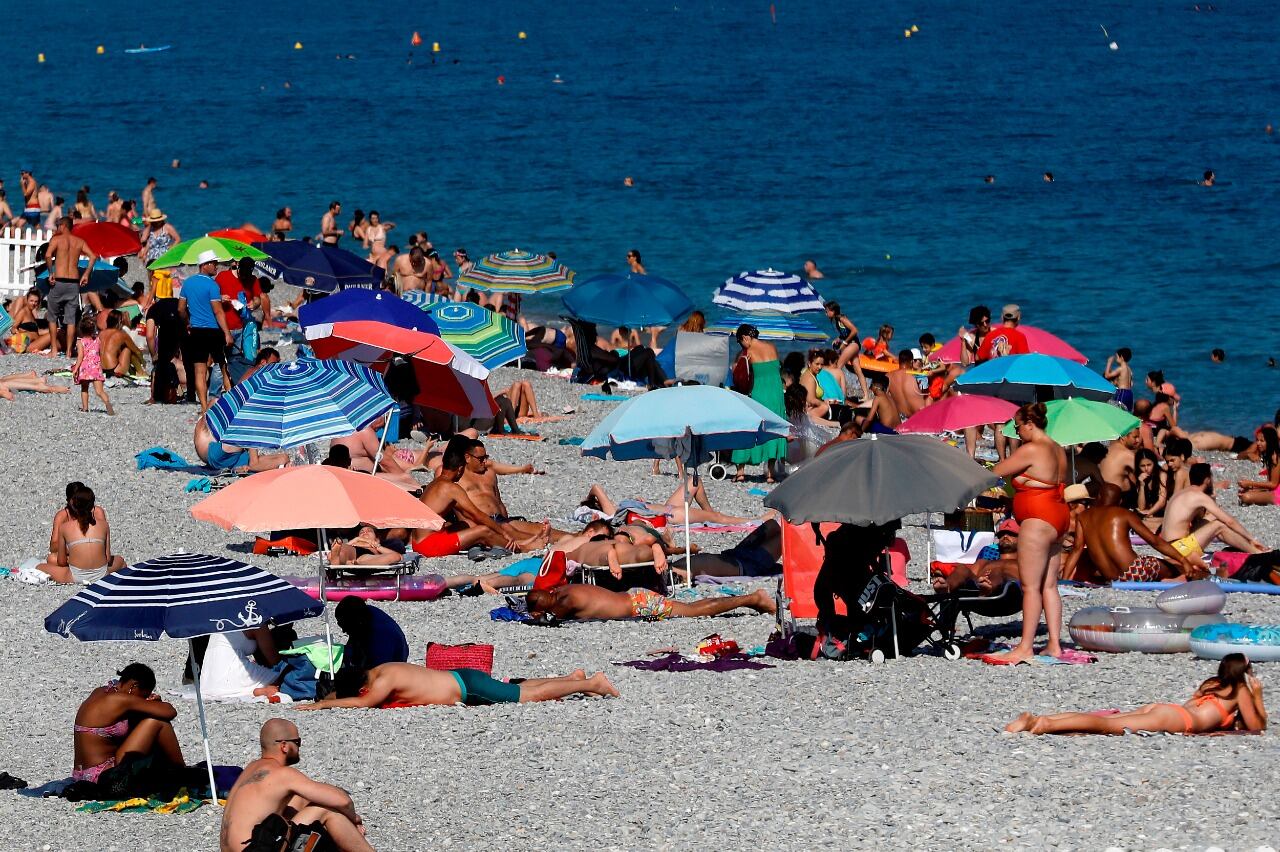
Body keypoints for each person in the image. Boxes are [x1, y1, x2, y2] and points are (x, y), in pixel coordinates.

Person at [987, 402, 1069, 663]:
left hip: (1038, 519)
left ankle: (1025, 646)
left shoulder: (1032, 449)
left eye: (1017, 426)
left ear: (1030, 424)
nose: (1015, 431)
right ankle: (1054, 644)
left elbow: (995, 472)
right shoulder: (1059, 449)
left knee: (1030, 586)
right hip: (1058, 517)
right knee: (1050, 586)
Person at [1006, 653, 1265, 735]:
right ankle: (1044, 724)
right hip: (1175, 719)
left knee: (1108, 721)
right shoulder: (1241, 689)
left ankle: (1037, 718)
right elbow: (1256, 727)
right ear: (1244, 672)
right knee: (1106, 726)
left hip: (1167, 710)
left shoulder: (1213, 685)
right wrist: (1258, 697)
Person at [219, 718, 373, 852]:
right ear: (284, 746)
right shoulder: (282, 773)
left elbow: (303, 801)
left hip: (243, 847)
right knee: (326, 809)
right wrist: (355, 820)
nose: (299, 747)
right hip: (256, 848)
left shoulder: (251, 769)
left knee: (298, 801)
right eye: (297, 742)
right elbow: (342, 800)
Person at [301, 662, 618, 711]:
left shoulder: (384, 682)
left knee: (525, 696)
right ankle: (573, 680)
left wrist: (320, 705)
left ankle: (594, 683)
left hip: (467, 688)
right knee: (513, 686)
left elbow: (363, 704)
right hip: (462, 676)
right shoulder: (379, 669)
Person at [412, 439, 541, 556]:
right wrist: (504, 533)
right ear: (460, 469)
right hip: (428, 545)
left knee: (468, 524)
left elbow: (469, 517)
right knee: (483, 531)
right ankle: (522, 548)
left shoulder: (434, 484)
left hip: (418, 541)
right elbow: (478, 514)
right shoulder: (451, 488)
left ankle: (518, 541)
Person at [1063, 483, 1205, 582]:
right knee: (1174, 569)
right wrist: (1183, 560)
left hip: (1111, 577)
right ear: (1119, 501)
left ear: (1099, 497)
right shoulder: (1123, 513)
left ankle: (1189, 566)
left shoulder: (1084, 517)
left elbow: (1077, 550)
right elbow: (1154, 541)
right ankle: (1205, 576)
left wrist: (1064, 581)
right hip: (1134, 572)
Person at [73, 663, 184, 784]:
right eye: (144, 695)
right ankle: (183, 773)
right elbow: (170, 711)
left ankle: (176, 771)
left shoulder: (102, 691)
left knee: (143, 719)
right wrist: (154, 703)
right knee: (157, 722)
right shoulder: (119, 700)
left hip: (81, 775)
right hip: (102, 776)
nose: (142, 700)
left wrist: (146, 705)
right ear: (134, 686)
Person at [1161, 463, 1265, 558]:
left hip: (1167, 548)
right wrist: (1252, 538)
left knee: (1212, 517)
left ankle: (1247, 546)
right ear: (1207, 480)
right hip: (1177, 550)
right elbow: (1229, 521)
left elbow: (1201, 520)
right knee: (1218, 525)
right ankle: (1258, 554)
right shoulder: (1199, 496)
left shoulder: (1182, 493)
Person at [527, 583, 775, 622]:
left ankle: (752, 598)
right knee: (694, 606)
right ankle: (750, 600)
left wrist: (538, 616)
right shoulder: (563, 589)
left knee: (693, 611)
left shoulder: (567, 600)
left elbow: (556, 616)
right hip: (635, 596)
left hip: (639, 604)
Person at [730, 325, 787, 482]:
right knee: (773, 430)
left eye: (740, 342)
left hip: (758, 394)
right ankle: (770, 474)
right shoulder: (772, 347)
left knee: (747, 428)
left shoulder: (747, 353)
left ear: (745, 338)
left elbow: (739, 375)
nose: (741, 345)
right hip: (776, 394)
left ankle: (740, 472)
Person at [36, 485, 126, 583]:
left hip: (76, 576)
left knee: (40, 566)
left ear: (73, 504)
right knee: (120, 560)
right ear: (92, 506)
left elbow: (61, 562)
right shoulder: (104, 525)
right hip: (102, 574)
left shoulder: (65, 527)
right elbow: (107, 559)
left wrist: (76, 557)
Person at [178, 250, 233, 412]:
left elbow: (181, 309)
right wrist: (227, 333)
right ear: (205, 265)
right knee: (223, 367)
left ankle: (203, 408)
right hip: (213, 330)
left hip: (196, 331)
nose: (217, 266)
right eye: (214, 263)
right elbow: (218, 312)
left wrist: (187, 322)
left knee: (199, 371)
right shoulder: (212, 285)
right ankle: (231, 404)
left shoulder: (187, 283)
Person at [582, 480, 768, 527]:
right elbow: (596, 487)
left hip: (666, 507)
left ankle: (710, 516)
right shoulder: (613, 514)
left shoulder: (617, 512)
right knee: (717, 518)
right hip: (671, 515)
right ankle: (754, 520)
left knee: (695, 482)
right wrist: (587, 502)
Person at [44, 216, 98, 358]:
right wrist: (86, 274)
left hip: (58, 282)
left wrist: (50, 273)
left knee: (52, 317)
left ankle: (54, 350)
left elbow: (48, 255)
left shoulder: (56, 239)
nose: (57, 228)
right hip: (73, 283)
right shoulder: (79, 241)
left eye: (58, 225)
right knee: (71, 319)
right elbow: (93, 256)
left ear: (63, 226)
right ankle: (68, 351)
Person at [199, 628, 285, 700]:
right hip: (230, 676)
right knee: (283, 677)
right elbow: (275, 660)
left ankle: (262, 689)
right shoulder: (256, 622)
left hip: (208, 682)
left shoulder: (222, 621)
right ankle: (264, 689)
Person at [194, 413, 290, 472]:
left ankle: (256, 464)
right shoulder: (247, 462)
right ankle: (255, 463)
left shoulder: (244, 462)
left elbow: (283, 458)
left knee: (284, 457)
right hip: (219, 455)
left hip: (215, 457)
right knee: (250, 422)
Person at [334, 597, 409, 673]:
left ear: (358, 622)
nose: (343, 631)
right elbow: (354, 639)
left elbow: (378, 673)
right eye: (340, 624)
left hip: (391, 670)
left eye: (346, 626)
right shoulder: (363, 613)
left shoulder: (381, 637)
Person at [71, 314, 115, 415]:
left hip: (85, 368)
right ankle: (108, 404)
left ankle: (85, 408)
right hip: (96, 368)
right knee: (99, 391)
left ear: (81, 330)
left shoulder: (80, 342)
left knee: (84, 388)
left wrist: (75, 369)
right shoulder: (97, 340)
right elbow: (100, 352)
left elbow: (80, 357)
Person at [325, 524, 408, 567]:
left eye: (369, 531)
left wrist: (376, 546)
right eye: (361, 532)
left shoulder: (385, 544)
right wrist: (356, 540)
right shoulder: (355, 542)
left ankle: (345, 562)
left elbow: (400, 556)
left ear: (377, 538)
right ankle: (336, 560)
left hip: (368, 555)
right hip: (354, 550)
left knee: (395, 557)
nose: (365, 532)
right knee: (342, 549)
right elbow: (344, 546)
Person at [1236, 426, 1280, 506]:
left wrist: (1250, 483)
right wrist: (1252, 488)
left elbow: (1273, 484)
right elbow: (1271, 485)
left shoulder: (1275, 457)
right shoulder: (1270, 455)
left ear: (1270, 442)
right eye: (1257, 440)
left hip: (1278, 493)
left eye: (1262, 441)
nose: (1258, 443)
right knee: (1244, 492)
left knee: (1246, 496)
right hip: (1275, 490)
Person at [99, 310, 146, 378]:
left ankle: (133, 371)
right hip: (115, 370)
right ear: (120, 322)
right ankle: (141, 372)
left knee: (117, 349)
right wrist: (143, 361)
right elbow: (137, 351)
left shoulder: (101, 333)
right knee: (127, 349)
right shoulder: (121, 334)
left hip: (102, 370)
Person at [7, 288, 52, 353]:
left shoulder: (31, 313)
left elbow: (37, 332)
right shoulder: (23, 312)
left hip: (36, 340)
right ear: (27, 300)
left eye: (36, 301)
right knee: (52, 336)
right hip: (29, 345)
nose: (33, 303)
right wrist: (20, 333)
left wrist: (51, 330)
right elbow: (13, 328)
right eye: (31, 301)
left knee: (56, 333)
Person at [887, 349, 928, 417]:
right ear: (911, 361)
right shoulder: (920, 376)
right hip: (920, 416)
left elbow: (885, 397)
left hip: (903, 419)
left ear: (899, 361)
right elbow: (927, 397)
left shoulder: (888, 376)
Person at [1098, 428, 1139, 493]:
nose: (1138, 440)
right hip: (1119, 495)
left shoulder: (1108, 449)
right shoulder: (1127, 454)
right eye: (1135, 437)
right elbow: (1144, 472)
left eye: (1138, 437)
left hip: (1105, 493)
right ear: (1123, 437)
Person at [1133, 447, 1168, 523]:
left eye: (1149, 465)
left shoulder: (1161, 474)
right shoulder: (1140, 477)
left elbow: (1162, 501)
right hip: (1149, 513)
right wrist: (1142, 485)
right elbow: (1141, 507)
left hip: (1161, 512)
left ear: (1154, 463)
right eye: (1142, 466)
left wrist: (1147, 514)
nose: (1146, 469)